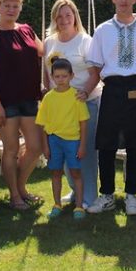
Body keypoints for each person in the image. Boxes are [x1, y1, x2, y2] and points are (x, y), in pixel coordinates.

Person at [83, 0, 136, 215]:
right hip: (111, 90)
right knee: (106, 145)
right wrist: (85, 91)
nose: (124, 0)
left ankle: (131, 197)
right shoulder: (102, 30)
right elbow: (96, 66)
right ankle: (107, 195)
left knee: (135, 146)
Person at [0, 0, 44, 210]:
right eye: (6, 5)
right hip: (5, 103)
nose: (11, 9)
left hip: (30, 98)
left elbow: (44, 51)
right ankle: (14, 195)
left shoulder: (27, 30)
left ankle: (21, 186)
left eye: (15, 6)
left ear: (20, 8)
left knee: (35, 147)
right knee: (11, 149)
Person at [43, 0, 102, 209]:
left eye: (68, 15)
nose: (64, 20)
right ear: (54, 19)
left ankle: (89, 196)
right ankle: (75, 189)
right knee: (64, 149)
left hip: (85, 103)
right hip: (60, 107)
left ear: (75, 16)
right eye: (59, 16)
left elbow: (96, 73)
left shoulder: (86, 41)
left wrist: (84, 92)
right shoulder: (49, 42)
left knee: (84, 151)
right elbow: (46, 74)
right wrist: (48, 98)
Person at [37, 58, 90, 220]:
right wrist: (45, 146)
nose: (61, 79)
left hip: (73, 142)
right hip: (54, 141)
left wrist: (82, 145)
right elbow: (42, 124)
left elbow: (83, 123)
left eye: (64, 76)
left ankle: (79, 206)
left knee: (75, 173)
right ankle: (57, 204)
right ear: (52, 77)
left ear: (71, 76)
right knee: (56, 172)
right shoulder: (48, 98)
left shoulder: (77, 96)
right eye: (57, 76)